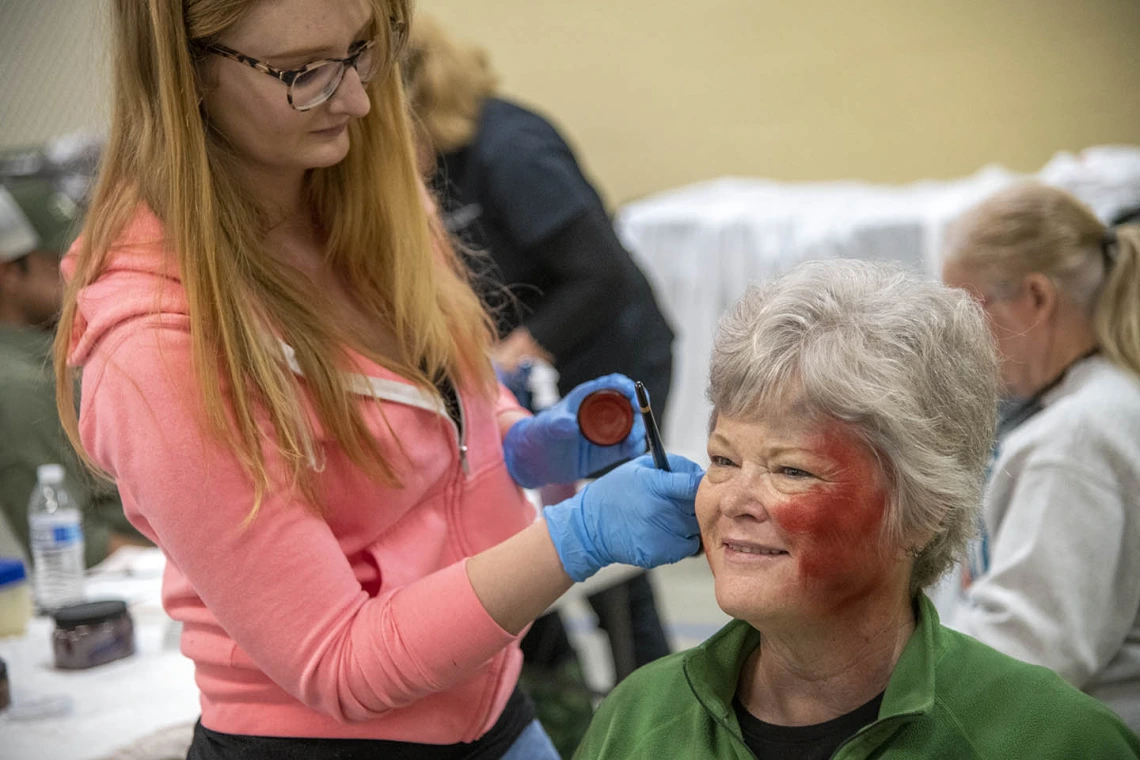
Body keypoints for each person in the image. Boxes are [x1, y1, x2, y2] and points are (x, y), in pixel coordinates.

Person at [54, 2, 704, 758]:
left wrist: (519, 444)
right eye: (304, 72)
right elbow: (339, 660)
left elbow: (446, 391)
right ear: (188, 75)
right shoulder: (158, 348)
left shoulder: (372, 201)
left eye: (365, 49)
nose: (359, 98)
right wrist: (577, 537)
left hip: (487, 701)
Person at [575, 260, 1140, 759]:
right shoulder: (638, 720)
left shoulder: (1054, 742)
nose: (733, 501)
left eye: (790, 469)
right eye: (722, 459)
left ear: (924, 509)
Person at [403, 17, 677, 733]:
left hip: (606, 360)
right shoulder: (442, 159)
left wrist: (512, 355)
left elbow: (600, 275)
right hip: (523, 376)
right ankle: (560, 714)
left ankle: (654, 722)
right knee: (519, 554)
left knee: (618, 566)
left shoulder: (511, 150)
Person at [941, 183, 1140, 732]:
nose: (963, 339)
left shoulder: (1076, 439)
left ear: (1036, 297)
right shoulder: (1100, 399)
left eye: (970, 307)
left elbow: (1026, 653)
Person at [0, 177, 146, 566]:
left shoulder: (58, 356)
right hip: (134, 583)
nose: (79, 272)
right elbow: (76, 545)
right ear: (8, 273)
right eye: (58, 262)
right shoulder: (17, 383)